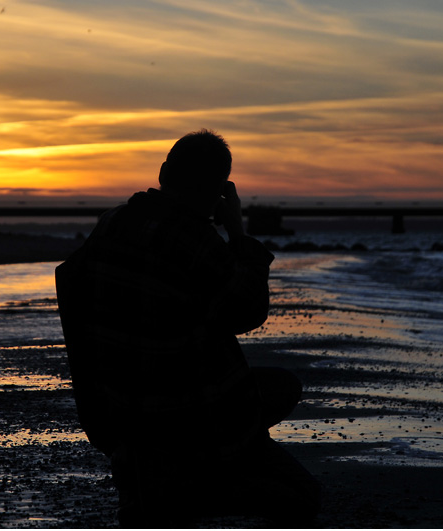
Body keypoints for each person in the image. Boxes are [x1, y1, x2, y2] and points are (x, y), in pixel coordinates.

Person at [55, 129, 321, 526]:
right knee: (302, 495)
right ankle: (187, 489)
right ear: (219, 190)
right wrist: (237, 232)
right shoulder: (195, 242)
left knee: (280, 388)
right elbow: (249, 312)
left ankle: (160, 474)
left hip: (116, 411)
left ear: (164, 172)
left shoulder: (111, 224)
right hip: (182, 414)